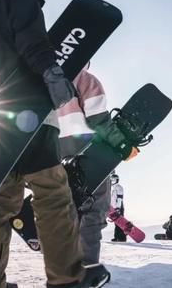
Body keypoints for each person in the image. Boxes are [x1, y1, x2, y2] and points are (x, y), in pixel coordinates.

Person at [0, 0, 114, 288]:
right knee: (53, 198)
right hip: (28, 115)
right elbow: (31, 40)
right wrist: (51, 72)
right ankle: (66, 281)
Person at [57, 64, 136, 258]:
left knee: (66, 210)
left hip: (56, 152)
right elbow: (98, 119)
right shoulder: (85, 79)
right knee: (93, 211)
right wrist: (123, 146)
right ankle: (87, 269)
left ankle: (64, 270)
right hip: (88, 150)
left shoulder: (45, 81)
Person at [109, 173, 127, 242]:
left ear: (117, 180)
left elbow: (119, 198)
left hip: (119, 207)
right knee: (116, 223)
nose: (112, 181)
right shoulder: (113, 188)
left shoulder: (119, 187)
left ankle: (122, 238)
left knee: (120, 222)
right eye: (111, 180)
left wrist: (118, 208)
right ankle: (117, 237)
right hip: (114, 208)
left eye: (114, 180)